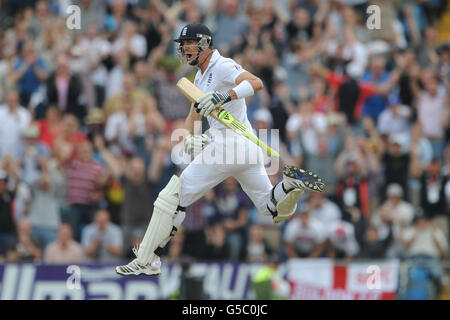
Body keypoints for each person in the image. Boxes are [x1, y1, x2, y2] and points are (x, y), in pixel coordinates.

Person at [116, 23, 325, 276]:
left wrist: (224, 97)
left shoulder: (222, 65)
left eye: (188, 44)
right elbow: (193, 115)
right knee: (270, 208)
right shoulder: (200, 77)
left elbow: (256, 83)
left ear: (204, 43)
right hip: (243, 149)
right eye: (182, 45)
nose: (184, 49)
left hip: (229, 146)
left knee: (172, 198)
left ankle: (147, 258)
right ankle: (289, 186)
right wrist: (192, 138)